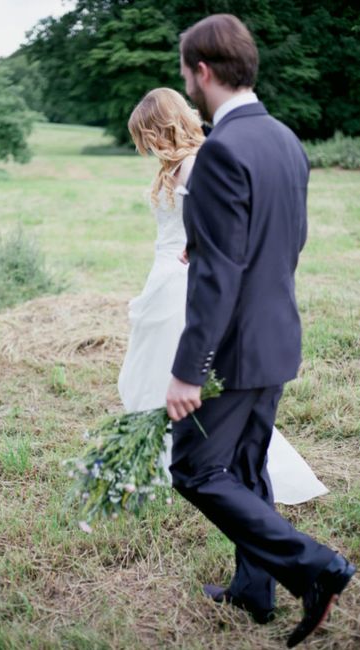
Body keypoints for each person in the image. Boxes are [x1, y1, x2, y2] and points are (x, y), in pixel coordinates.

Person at [163, 15, 355, 648]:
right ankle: (254, 589)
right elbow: (284, 241)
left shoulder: (221, 148)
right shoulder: (285, 139)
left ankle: (314, 567)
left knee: (194, 469)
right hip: (279, 335)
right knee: (246, 465)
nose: (188, 84)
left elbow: (218, 275)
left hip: (237, 348)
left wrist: (189, 369)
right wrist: (203, 239)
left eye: (187, 72)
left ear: (203, 71)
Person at [119, 86, 328, 507]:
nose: (143, 146)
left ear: (162, 128)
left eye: (145, 135)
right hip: (163, 280)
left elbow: (227, 221)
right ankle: (164, 461)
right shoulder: (173, 167)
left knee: (173, 372)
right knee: (151, 370)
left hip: (183, 282)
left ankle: (198, 460)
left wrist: (197, 246)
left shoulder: (196, 164)